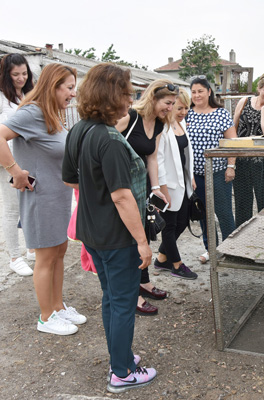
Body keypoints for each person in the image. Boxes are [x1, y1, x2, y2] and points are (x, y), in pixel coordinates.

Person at [62, 63, 157, 393]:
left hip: (92, 233)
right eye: (127, 92)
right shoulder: (109, 140)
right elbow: (121, 196)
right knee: (123, 301)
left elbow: (69, 178)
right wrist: (142, 242)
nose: (130, 99)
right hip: (117, 238)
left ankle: (121, 356)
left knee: (111, 299)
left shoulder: (80, 129)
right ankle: (122, 373)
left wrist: (94, 195)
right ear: (111, 95)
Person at [0, 63, 86, 336]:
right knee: (45, 256)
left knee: (59, 252)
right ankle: (45, 317)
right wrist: (15, 172)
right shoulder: (31, 113)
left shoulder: (51, 114)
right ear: (53, 86)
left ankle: (57, 307)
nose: (73, 94)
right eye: (69, 87)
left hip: (59, 195)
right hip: (41, 198)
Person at [115, 79, 175, 315]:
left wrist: (155, 187)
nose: (170, 108)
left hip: (142, 187)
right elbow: (102, 140)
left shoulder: (159, 124)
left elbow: (152, 157)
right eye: (167, 103)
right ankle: (132, 294)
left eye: (173, 104)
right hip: (122, 185)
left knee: (144, 234)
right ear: (153, 98)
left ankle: (143, 281)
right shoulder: (129, 117)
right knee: (129, 240)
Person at [0, 54, 36, 276]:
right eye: (15, 74)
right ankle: (14, 256)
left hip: (28, 156)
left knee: (28, 203)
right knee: (12, 208)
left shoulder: (28, 94)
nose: (21, 78)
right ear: (6, 75)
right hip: (7, 159)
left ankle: (31, 248)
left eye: (24, 73)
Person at [186, 76, 237, 263]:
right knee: (204, 214)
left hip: (218, 171)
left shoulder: (221, 114)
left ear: (209, 92)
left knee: (223, 212)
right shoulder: (186, 114)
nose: (197, 95)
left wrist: (231, 166)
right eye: (193, 92)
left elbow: (232, 143)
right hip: (194, 175)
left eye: (200, 91)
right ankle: (211, 250)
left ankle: (230, 249)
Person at [153, 89, 198, 279]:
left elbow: (187, 155)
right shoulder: (162, 128)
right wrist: (162, 189)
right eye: (179, 108)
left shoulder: (181, 125)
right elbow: (158, 160)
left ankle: (162, 258)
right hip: (168, 186)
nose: (183, 112)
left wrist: (192, 177)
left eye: (186, 108)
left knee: (182, 222)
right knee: (169, 227)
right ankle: (177, 265)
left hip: (184, 184)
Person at [232, 72, 264, 227]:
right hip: (242, 161)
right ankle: (240, 241)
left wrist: (263, 111)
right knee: (242, 204)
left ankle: (263, 238)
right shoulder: (244, 101)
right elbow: (233, 130)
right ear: (259, 88)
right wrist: (231, 161)